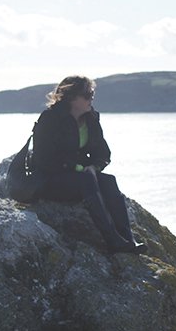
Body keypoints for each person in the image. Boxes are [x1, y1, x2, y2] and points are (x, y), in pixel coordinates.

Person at [32, 75, 146, 254]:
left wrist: (94, 167)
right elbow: (44, 158)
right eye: (86, 94)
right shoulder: (50, 118)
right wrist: (79, 169)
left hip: (80, 177)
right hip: (50, 180)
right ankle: (113, 240)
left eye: (92, 93)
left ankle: (127, 238)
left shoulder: (91, 119)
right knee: (87, 181)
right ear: (71, 97)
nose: (91, 98)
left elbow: (103, 153)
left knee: (108, 181)